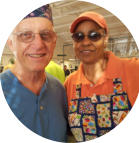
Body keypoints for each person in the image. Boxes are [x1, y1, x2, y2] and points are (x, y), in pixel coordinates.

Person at [64, 11, 139, 142]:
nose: (85, 42)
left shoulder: (133, 70)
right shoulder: (70, 82)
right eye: (79, 36)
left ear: (105, 39)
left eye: (94, 35)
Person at [0, 5, 68, 142]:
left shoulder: (59, 90)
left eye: (46, 35)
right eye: (26, 35)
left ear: (54, 42)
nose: (38, 44)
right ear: (11, 43)